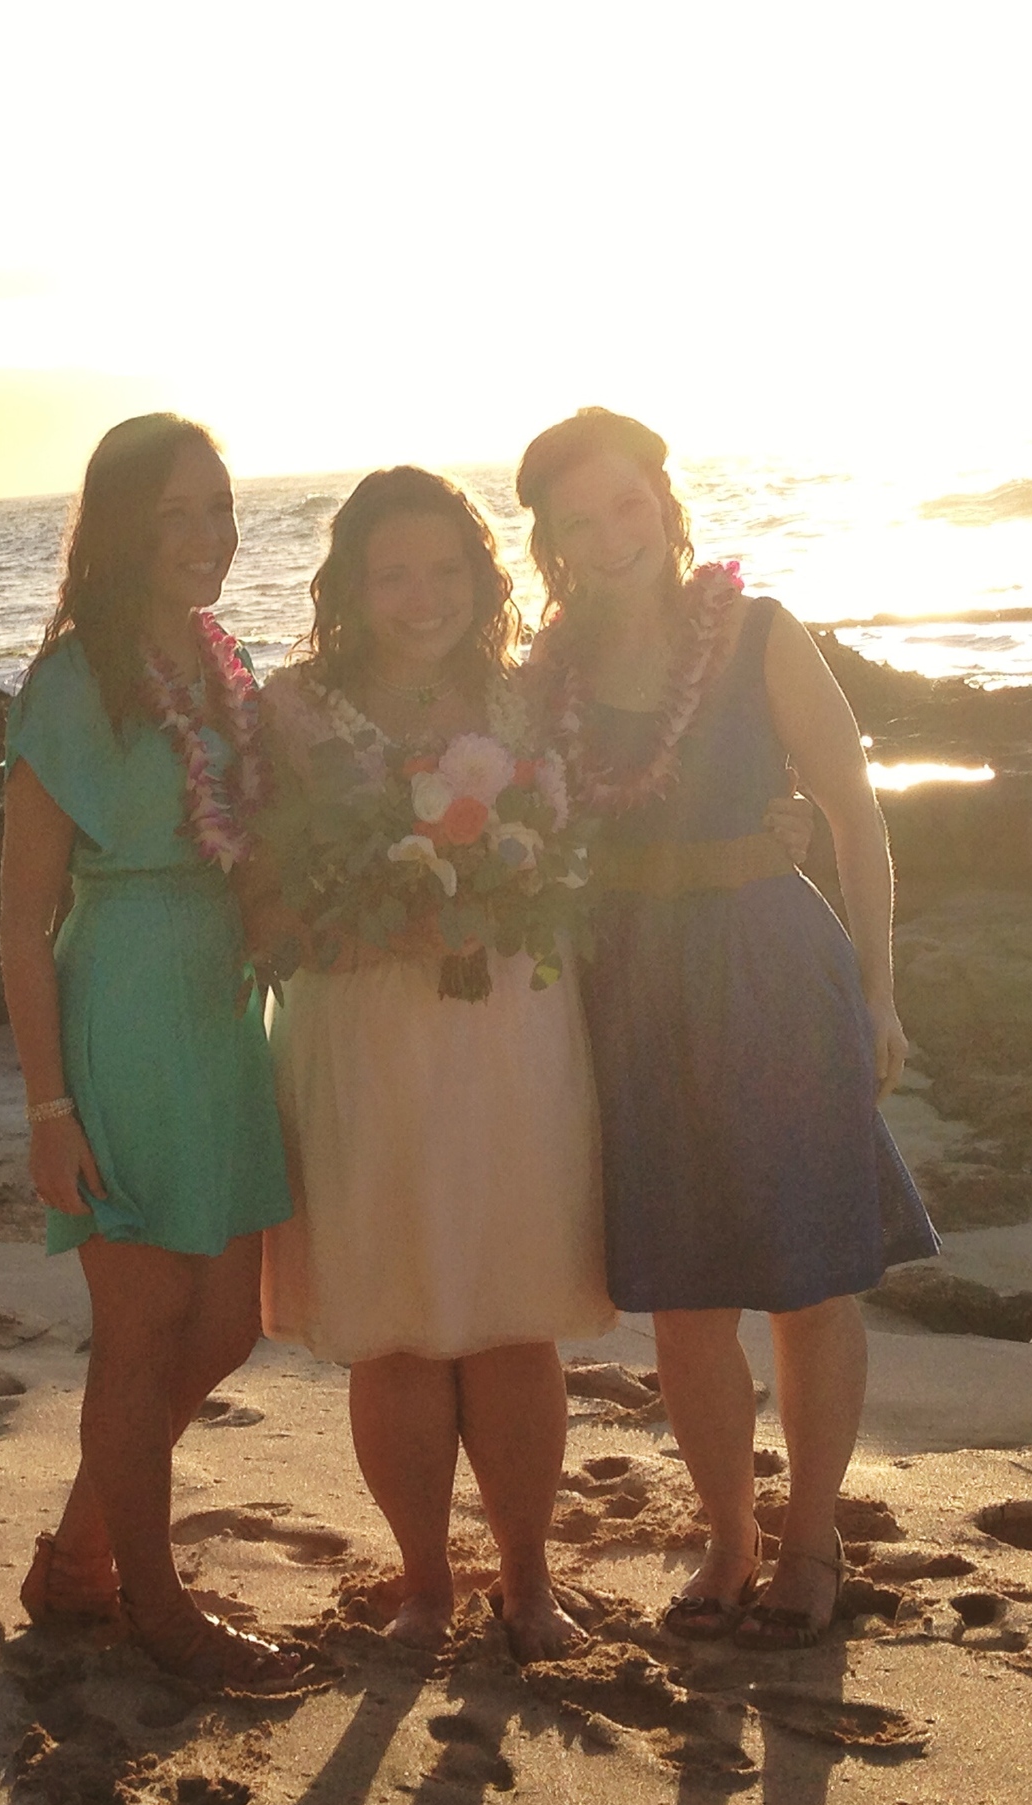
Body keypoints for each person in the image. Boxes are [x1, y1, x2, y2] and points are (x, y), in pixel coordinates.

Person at [516, 407, 939, 1649]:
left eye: (628, 507)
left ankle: (811, 1537)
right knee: (686, 1295)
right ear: (549, 541)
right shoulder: (550, 673)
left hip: (769, 960)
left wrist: (878, 988)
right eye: (578, 521)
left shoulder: (757, 632)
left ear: (666, 502)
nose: (611, 538)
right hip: (632, 980)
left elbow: (856, 815)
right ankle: (728, 1534)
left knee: (808, 1279)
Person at [255, 467, 613, 1660]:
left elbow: (596, 833)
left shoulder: (522, 699)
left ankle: (526, 1577)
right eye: (393, 573)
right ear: (351, 585)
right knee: (398, 1319)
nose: (423, 596)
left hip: (508, 1031)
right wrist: (372, 917)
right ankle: (421, 1580)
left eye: (445, 570)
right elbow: (260, 883)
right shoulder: (294, 708)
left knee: (513, 1314)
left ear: (482, 574)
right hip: (363, 1034)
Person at [0, 412, 304, 1690]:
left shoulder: (225, 661)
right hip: (122, 1002)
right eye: (174, 513)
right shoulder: (73, 681)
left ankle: (78, 1553)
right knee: (140, 1331)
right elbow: (21, 922)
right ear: (119, 524)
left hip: (230, 1017)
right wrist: (49, 1109)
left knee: (229, 1320)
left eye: (220, 509)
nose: (205, 537)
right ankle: (152, 1598)